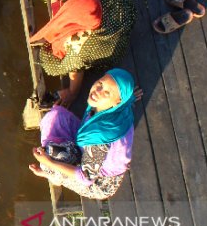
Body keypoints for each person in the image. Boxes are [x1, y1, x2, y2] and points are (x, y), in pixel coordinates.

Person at [29, 0, 136, 107]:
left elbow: (75, 69)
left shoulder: (77, 46)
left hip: (105, 50)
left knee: (51, 66)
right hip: (118, 12)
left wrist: (73, 93)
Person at [29, 68, 137, 200]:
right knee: (57, 115)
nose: (97, 91)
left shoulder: (100, 139)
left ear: (118, 102)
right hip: (88, 145)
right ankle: (55, 165)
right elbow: (125, 98)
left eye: (106, 92)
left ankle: (53, 176)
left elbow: (86, 177)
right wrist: (130, 97)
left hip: (97, 181)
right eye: (100, 83)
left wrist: (49, 163)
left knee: (49, 155)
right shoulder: (121, 108)